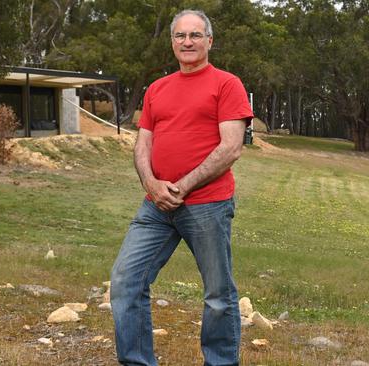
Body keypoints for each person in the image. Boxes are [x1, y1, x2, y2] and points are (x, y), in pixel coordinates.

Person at [110, 9, 253, 366]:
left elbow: (231, 147)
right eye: (180, 36)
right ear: (172, 42)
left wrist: (181, 186)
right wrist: (152, 184)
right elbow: (142, 143)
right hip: (155, 206)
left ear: (209, 41)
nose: (187, 42)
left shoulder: (227, 84)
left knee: (218, 294)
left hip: (207, 204)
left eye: (195, 35)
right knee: (126, 282)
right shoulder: (157, 89)